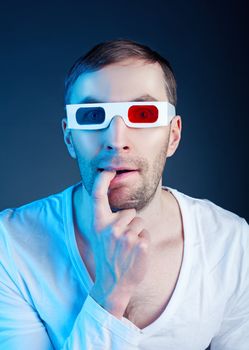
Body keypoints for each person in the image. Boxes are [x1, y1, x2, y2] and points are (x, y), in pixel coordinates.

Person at [0, 39, 248, 350]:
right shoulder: (10, 244)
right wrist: (109, 292)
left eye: (143, 114)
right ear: (69, 139)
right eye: (91, 116)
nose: (116, 140)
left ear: (173, 136)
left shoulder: (232, 244)